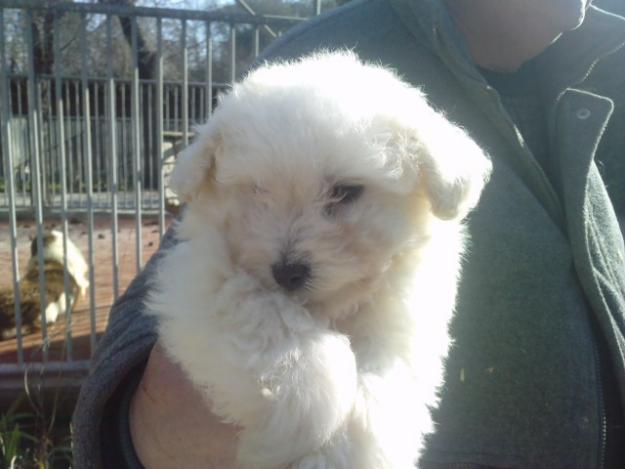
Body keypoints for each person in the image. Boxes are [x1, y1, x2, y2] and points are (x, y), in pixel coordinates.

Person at [72, 0, 625, 467]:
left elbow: (402, 373)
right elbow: (136, 373)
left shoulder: (610, 63)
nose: (289, 252)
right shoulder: (301, 72)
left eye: (343, 195)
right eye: (258, 196)